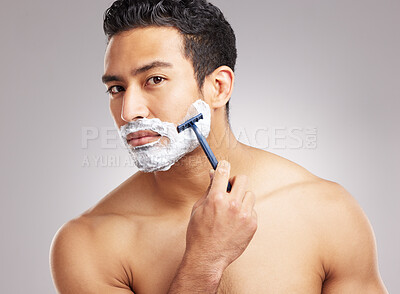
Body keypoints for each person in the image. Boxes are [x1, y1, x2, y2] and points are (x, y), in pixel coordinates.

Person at [50, 0, 388, 293]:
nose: (128, 111)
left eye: (154, 80)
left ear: (218, 87)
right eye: (116, 89)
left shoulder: (326, 210)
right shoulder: (88, 244)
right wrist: (204, 261)